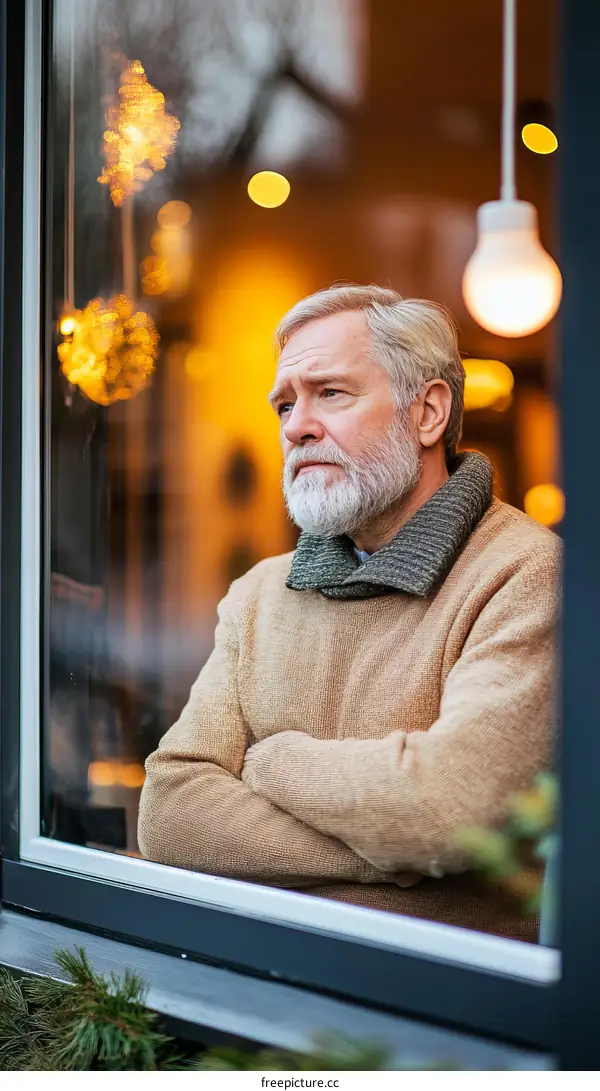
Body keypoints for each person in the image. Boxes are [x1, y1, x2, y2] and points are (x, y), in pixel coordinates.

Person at [138, 284, 560, 941]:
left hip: (443, 1018)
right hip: (257, 994)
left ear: (427, 414)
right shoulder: (259, 594)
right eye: (285, 403)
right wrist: (397, 856)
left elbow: (449, 812)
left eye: (330, 392)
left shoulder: (527, 573)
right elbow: (170, 811)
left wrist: (273, 762)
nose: (295, 425)